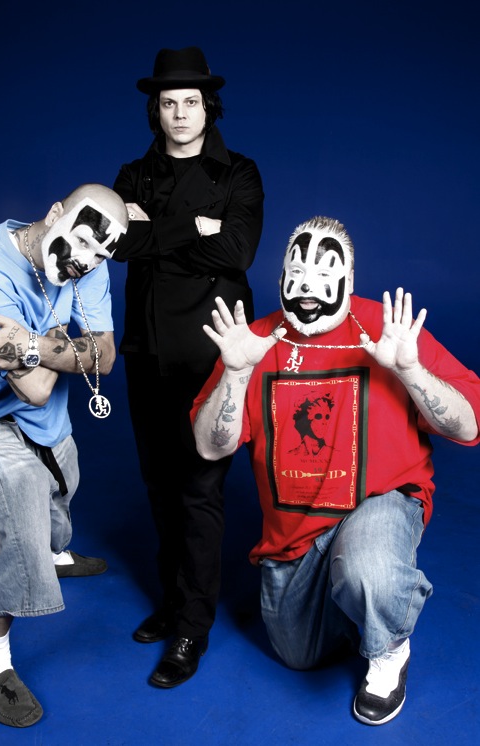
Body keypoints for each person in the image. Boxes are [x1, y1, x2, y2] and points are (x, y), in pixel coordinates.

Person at [192, 216, 480, 725]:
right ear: (281, 276)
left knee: (371, 571)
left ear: (348, 279)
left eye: (325, 274)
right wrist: (236, 373)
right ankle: (358, 595)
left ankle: (388, 645)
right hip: (295, 538)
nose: (308, 287)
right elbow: (210, 448)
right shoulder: (254, 342)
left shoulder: (385, 329)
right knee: (297, 655)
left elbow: (468, 424)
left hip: (378, 503)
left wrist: (410, 370)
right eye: (297, 272)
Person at [0, 183, 128, 727]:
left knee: (64, 480)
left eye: (99, 255)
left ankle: (54, 552)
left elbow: (107, 355)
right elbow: (35, 388)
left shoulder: (92, 262)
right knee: (25, 499)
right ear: (55, 213)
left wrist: (35, 345)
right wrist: (67, 347)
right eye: (81, 241)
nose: (85, 261)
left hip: (37, 401)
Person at [111, 46, 264, 687]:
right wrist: (196, 229)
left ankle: (190, 630)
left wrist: (160, 232)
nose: (179, 113)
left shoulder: (239, 173)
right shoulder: (131, 175)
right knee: (160, 485)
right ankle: (174, 601)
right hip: (147, 351)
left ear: (209, 107)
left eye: (191, 102)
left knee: (199, 491)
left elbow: (238, 251)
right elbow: (120, 242)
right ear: (157, 109)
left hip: (211, 354)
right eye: (169, 103)